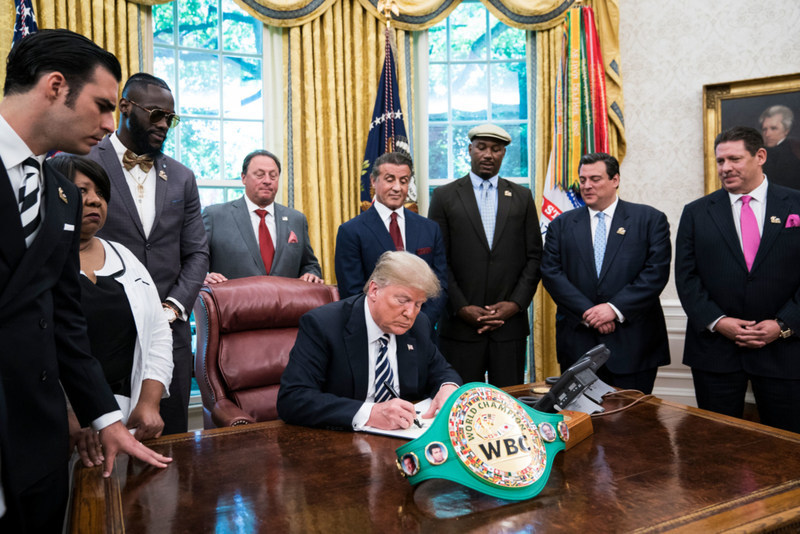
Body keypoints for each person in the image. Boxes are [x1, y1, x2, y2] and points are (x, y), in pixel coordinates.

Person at [0, 29, 170, 532]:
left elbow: (64, 320)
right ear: (55, 86)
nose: (109, 124)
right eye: (101, 105)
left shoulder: (63, 194)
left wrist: (105, 419)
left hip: (39, 442)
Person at [88, 73, 209, 435]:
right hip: (104, 330)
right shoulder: (85, 161)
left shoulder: (183, 177)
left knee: (169, 444)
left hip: (169, 334)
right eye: (155, 113)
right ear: (125, 106)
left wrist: (173, 307)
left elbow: (198, 253)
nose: (163, 124)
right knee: (100, 452)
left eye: (169, 118)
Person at [49, 154, 174, 467]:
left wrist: (149, 401)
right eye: (81, 191)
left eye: (101, 194)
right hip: (60, 424)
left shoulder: (125, 257)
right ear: (54, 195)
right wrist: (70, 412)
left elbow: (158, 332)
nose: (95, 201)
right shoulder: (38, 262)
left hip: (128, 415)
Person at [675, 126, 800, 433]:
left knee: (786, 447)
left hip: (784, 351)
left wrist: (782, 325)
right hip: (715, 353)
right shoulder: (696, 212)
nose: (725, 168)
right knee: (717, 445)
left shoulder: (796, 205)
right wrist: (718, 322)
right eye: (720, 161)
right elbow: (686, 277)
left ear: (760, 156)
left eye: (734, 159)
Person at [277, 251, 462, 431]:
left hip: (405, 437)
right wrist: (371, 413)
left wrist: (448, 389)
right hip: (340, 442)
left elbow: (442, 371)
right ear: (374, 290)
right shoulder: (324, 325)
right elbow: (293, 398)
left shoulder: (419, 324)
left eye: (418, 304)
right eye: (402, 300)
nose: (410, 313)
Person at [541, 153, 671, 394]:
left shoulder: (650, 220)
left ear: (615, 180)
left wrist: (613, 309)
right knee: (580, 422)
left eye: (595, 179)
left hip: (633, 342)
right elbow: (551, 273)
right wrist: (589, 313)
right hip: (579, 341)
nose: (587, 185)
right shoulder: (560, 224)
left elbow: (655, 274)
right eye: (582, 180)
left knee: (633, 424)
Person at [428, 124, 543, 387]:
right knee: (460, 406)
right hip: (460, 327)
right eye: (481, 147)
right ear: (469, 150)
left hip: (509, 327)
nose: (488, 154)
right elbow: (438, 260)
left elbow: (535, 257)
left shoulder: (522, 197)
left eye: (496, 149)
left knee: (509, 406)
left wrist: (514, 305)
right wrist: (460, 307)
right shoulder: (444, 197)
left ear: (504, 154)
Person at [335, 151, 447, 340]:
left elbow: (440, 284)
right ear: (373, 181)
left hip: (422, 334)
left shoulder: (430, 228)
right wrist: (390, 322)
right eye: (389, 179)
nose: (397, 187)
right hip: (375, 334)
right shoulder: (351, 231)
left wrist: (417, 321)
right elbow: (352, 292)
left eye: (403, 181)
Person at [202, 149, 322, 284]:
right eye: (259, 175)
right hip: (234, 302)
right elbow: (191, 262)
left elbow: (310, 265)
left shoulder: (297, 219)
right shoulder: (215, 216)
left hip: (287, 302)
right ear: (243, 178)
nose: (267, 181)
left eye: (273, 176)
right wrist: (201, 276)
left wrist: (311, 274)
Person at [760, 105, 800, 191]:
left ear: (786, 130)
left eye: (773, 128)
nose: (767, 134)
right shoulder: (762, 152)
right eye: (764, 129)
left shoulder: (791, 154)